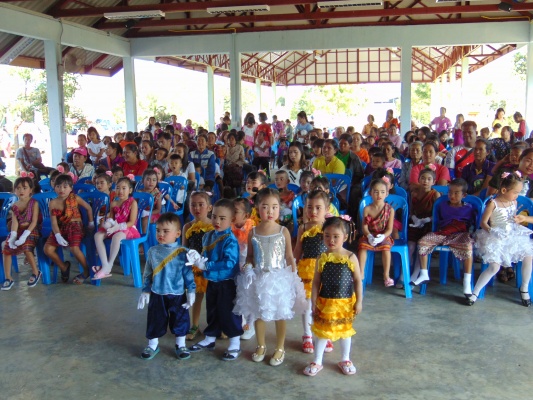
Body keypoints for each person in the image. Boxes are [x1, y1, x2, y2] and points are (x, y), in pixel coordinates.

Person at [233, 189, 306, 366]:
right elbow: (250, 256)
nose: (270, 211)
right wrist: (248, 268)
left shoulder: (283, 231)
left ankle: (280, 347)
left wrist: (293, 277)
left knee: (280, 314)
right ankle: (261, 345)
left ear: (279, 208)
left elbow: (289, 257)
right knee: (259, 313)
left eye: (274, 207)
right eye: (265, 207)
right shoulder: (253, 232)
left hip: (278, 279)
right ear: (258, 208)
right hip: (258, 278)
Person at [303, 216, 362, 377]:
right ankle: (317, 360)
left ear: (345, 237)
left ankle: (345, 359)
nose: (331, 240)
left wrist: (359, 302)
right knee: (322, 331)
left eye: (336, 236)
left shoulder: (351, 257)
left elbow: (358, 280)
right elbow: (316, 281)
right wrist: (314, 300)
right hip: (325, 302)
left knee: (345, 331)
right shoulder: (321, 257)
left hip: (345, 303)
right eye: (327, 235)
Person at [187, 199, 243, 361]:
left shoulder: (230, 240)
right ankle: (210, 337)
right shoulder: (208, 236)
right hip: (212, 280)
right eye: (214, 217)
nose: (217, 221)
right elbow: (205, 255)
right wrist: (197, 258)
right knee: (212, 309)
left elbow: (229, 262)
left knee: (229, 311)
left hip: (227, 282)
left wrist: (206, 265)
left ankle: (235, 343)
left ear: (232, 220)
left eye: (222, 218)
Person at [137, 212, 195, 360]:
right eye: (158, 230)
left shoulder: (183, 252)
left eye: (165, 231)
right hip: (157, 293)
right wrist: (145, 290)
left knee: (180, 319)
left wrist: (191, 291)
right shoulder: (153, 251)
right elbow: (148, 273)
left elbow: (188, 274)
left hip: (178, 293)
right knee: (155, 319)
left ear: (177, 234)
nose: (161, 234)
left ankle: (180, 344)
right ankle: (152, 345)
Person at [469, 172, 533, 306]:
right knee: (494, 267)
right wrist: (492, 231)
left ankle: (524, 287)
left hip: (512, 235)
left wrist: (517, 219)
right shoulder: (493, 203)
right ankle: (475, 292)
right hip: (495, 237)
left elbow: (511, 218)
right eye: (515, 192)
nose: (517, 196)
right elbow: (483, 223)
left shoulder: (514, 202)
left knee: (529, 256)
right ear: (504, 190)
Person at [411, 179, 476, 298]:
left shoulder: (469, 208)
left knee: (468, 248)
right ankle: (424, 273)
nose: (452, 195)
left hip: (460, 234)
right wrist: (425, 220)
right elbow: (435, 219)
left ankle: (466, 282)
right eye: (450, 192)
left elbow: (473, 224)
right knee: (423, 241)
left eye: (456, 193)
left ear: (464, 195)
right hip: (442, 233)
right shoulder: (442, 205)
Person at [293, 190, 330, 354]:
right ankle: (307, 335)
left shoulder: (329, 228)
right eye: (309, 207)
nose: (313, 211)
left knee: (325, 304)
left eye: (318, 208)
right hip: (307, 271)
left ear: (327, 209)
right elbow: (298, 250)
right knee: (308, 305)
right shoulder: (303, 228)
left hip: (325, 270)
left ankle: (324, 334)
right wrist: (292, 267)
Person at [43, 173, 94, 285]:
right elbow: (54, 222)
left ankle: (86, 271)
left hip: (75, 227)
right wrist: (57, 235)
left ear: (71, 188)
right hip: (60, 228)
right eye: (58, 186)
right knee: (47, 249)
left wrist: (91, 223)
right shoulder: (53, 203)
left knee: (74, 249)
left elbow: (88, 208)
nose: (61, 189)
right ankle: (64, 267)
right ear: (54, 187)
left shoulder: (75, 198)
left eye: (65, 186)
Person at [92, 175, 140, 279]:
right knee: (98, 235)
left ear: (130, 190)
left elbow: (131, 222)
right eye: (117, 188)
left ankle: (109, 265)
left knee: (117, 237)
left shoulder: (133, 203)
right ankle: (105, 264)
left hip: (128, 228)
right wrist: (107, 223)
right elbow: (112, 219)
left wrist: (118, 227)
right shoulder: (114, 203)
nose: (120, 191)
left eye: (124, 188)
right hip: (115, 227)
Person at [400, 167, 440, 288]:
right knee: (410, 246)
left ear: (434, 181)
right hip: (415, 223)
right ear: (418, 179)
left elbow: (437, 214)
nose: (425, 181)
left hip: (428, 225)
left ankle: (415, 276)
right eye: (423, 178)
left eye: (429, 179)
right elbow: (411, 210)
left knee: (420, 248)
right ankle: (404, 275)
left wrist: (427, 220)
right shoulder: (414, 193)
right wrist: (414, 218)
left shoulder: (435, 194)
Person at [182, 192, 213, 341]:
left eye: (201, 205)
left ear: (209, 207)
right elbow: (184, 249)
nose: (197, 208)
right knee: (195, 297)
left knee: (213, 299)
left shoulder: (214, 226)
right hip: (194, 269)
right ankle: (194, 325)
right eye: (193, 205)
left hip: (210, 267)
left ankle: (215, 325)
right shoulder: (187, 226)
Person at [1, 176, 41, 290]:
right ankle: (8, 278)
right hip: (19, 231)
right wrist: (13, 236)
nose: (21, 190)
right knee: (6, 246)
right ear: (14, 190)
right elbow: (14, 223)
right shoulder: (15, 206)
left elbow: (34, 222)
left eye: (24, 188)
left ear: (31, 190)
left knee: (26, 245)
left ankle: (36, 272)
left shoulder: (34, 203)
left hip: (31, 230)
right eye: (18, 188)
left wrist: (24, 236)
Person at [358, 178, 395, 287]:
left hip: (383, 235)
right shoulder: (367, 209)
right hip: (369, 234)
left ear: (387, 193)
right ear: (370, 193)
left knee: (386, 248)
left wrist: (382, 237)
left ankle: (386, 275)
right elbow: (364, 227)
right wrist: (369, 236)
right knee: (362, 246)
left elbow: (390, 229)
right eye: (376, 192)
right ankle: (361, 273)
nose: (379, 195)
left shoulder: (390, 210)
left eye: (382, 192)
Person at [231, 197, 256, 340]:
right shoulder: (229, 228)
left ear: (246, 215)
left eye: (235, 211)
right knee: (237, 296)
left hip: (248, 268)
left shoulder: (252, 230)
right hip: (234, 267)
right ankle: (239, 322)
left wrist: (250, 267)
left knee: (248, 296)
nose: (231, 214)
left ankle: (250, 325)